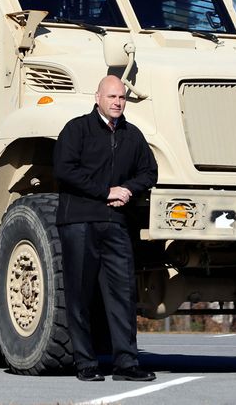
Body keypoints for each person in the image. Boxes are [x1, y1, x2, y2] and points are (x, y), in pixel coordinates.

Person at [53, 75, 158, 382]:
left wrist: (126, 189)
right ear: (97, 97)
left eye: (121, 98)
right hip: (79, 222)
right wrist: (105, 191)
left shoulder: (132, 135)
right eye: (111, 96)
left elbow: (150, 172)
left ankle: (126, 365)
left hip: (115, 224)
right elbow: (64, 170)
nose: (117, 102)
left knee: (123, 294)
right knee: (80, 295)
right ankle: (85, 364)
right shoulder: (77, 129)